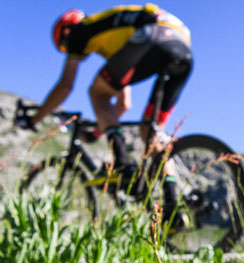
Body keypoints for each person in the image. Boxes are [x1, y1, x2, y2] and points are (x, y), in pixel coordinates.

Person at [24, 3, 193, 226]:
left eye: (65, 47)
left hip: (151, 37)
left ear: (66, 32)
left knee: (97, 93)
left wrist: (34, 119)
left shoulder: (80, 30)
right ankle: (173, 207)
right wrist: (96, 132)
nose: (71, 52)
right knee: (150, 134)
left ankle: (122, 166)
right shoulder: (114, 43)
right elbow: (124, 104)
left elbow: (65, 86)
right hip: (182, 49)